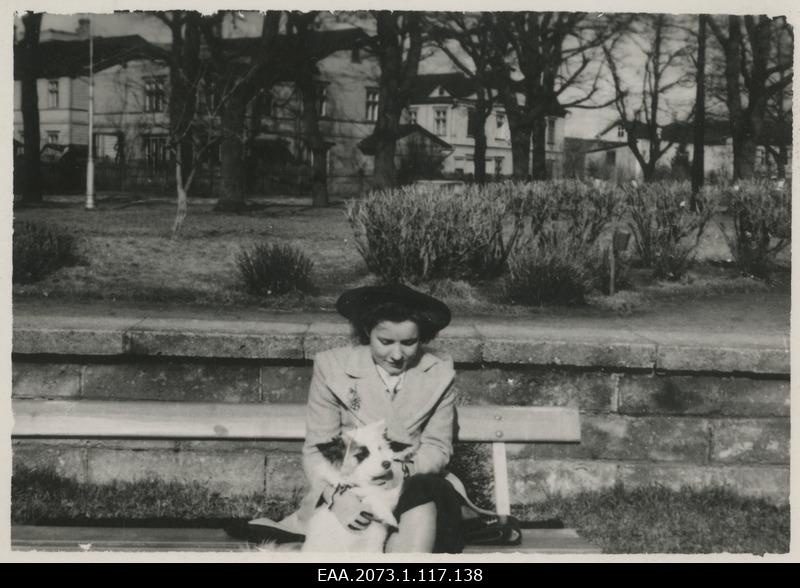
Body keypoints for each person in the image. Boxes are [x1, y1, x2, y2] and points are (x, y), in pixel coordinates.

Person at [298, 284, 465, 553]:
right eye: (385, 342)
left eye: (409, 343)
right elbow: (318, 450)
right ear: (367, 332)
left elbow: (438, 448)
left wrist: (401, 471)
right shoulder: (333, 368)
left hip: (415, 483)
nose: (397, 355)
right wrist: (338, 498)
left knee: (421, 493)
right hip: (351, 489)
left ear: (421, 337)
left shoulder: (438, 373)